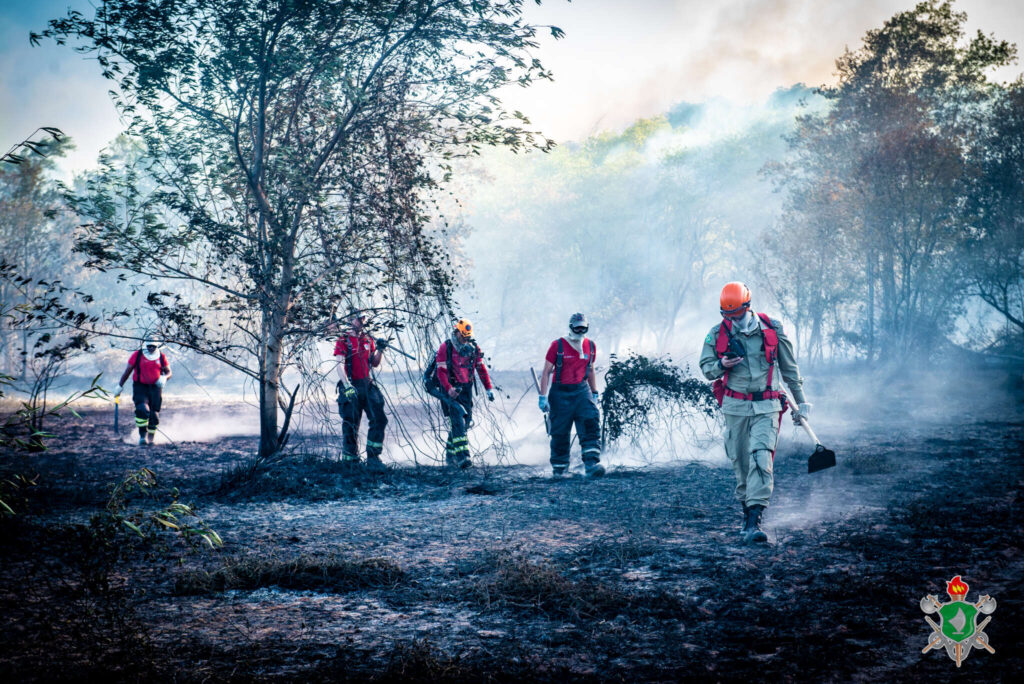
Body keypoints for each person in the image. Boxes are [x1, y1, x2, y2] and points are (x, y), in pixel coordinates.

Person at [699, 282, 811, 544]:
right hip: (735, 407)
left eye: (737, 314)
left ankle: (754, 522)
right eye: (727, 315)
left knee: (761, 458)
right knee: (741, 462)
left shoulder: (772, 329)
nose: (733, 319)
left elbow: (790, 370)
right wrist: (721, 364)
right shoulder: (717, 334)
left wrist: (801, 403)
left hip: (767, 406)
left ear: (747, 306)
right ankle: (746, 513)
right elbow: (706, 368)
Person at [538, 313, 604, 478]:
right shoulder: (557, 346)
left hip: (582, 391)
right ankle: (560, 469)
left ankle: (591, 464)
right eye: (577, 327)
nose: (580, 330)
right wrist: (543, 396)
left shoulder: (591, 346)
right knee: (560, 431)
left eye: (583, 327)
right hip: (560, 393)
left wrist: (594, 392)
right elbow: (546, 372)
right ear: (571, 327)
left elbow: (590, 369)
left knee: (590, 421)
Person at [434, 318, 494, 468]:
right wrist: (449, 389)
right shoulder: (445, 348)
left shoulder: (473, 348)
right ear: (457, 332)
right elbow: (441, 372)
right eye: (463, 336)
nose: (465, 339)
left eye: (467, 337)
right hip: (451, 390)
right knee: (457, 422)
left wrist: (488, 388)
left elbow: (481, 369)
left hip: (466, 390)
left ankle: (450, 456)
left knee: (464, 423)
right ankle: (463, 459)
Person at [334, 311, 389, 468]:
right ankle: (350, 461)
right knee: (351, 423)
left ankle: (373, 458)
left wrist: (379, 350)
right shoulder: (343, 340)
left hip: (367, 384)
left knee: (379, 419)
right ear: (351, 319)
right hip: (351, 385)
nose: (362, 322)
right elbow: (339, 364)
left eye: (364, 319)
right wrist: (347, 385)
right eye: (359, 319)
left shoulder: (367, 339)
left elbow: (374, 363)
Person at [115, 339, 171, 445]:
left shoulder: (161, 357)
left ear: (156, 347)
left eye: (153, 346)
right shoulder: (137, 355)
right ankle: (142, 436)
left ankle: (151, 439)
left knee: (154, 415)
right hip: (140, 387)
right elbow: (128, 371)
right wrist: (120, 386)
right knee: (142, 409)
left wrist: (164, 378)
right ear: (145, 346)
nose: (151, 348)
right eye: (149, 346)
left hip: (155, 388)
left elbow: (168, 372)